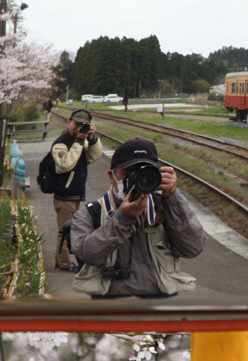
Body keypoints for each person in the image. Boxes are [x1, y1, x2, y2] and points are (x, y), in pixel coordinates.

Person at [71, 138, 205, 298]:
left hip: (159, 300)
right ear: (112, 176)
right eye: (127, 173)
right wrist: (121, 219)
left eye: (143, 173)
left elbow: (193, 248)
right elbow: (88, 255)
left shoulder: (165, 208)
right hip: (112, 301)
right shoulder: (90, 213)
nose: (135, 180)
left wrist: (173, 199)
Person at [51, 109, 103, 271]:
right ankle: (64, 263)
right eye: (76, 124)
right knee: (64, 230)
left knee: (71, 229)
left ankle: (63, 261)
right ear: (69, 122)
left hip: (74, 195)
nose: (78, 128)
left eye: (83, 125)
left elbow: (94, 157)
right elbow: (65, 164)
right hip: (64, 196)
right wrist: (79, 142)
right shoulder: (61, 143)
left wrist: (92, 139)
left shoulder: (78, 143)